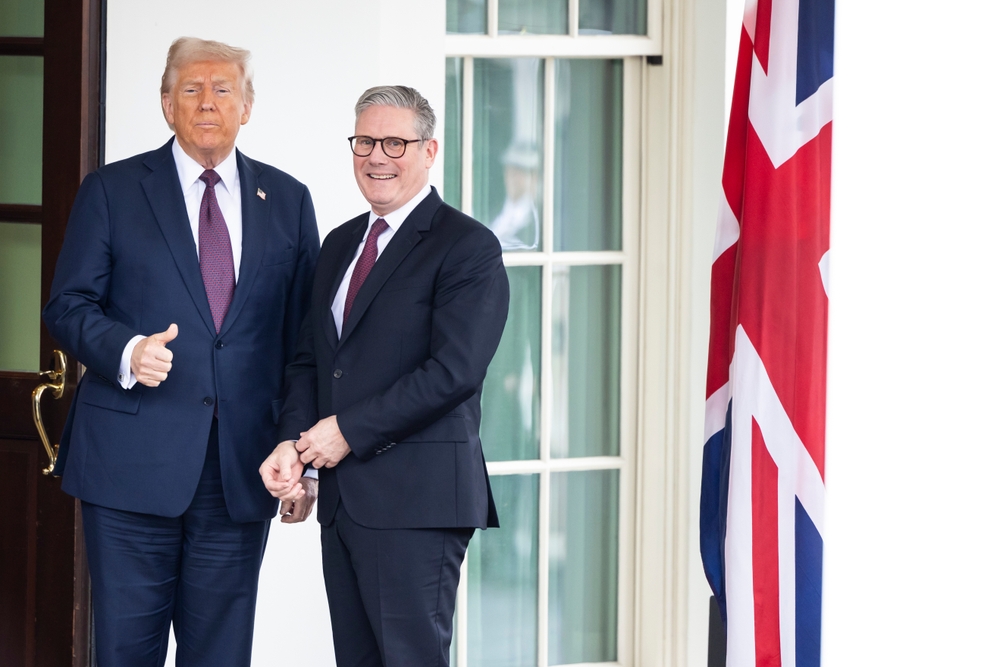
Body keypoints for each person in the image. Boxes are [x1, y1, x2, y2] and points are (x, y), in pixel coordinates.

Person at [42, 37, 320, 667]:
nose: (207, 102)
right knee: (126, 652)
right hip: (129, 469)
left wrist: (301, 457)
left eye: (223, 89)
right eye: (191, 89)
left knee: (220, 654)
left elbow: (302, 346)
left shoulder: (288, 200)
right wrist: (126, 349)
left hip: (240, 470)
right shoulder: (111, 190)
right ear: (166, 104)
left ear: (247, 106)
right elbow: (67, 305)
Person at [260, 85, 509, 666]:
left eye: (395, 143)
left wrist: (346, 432)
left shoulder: (468, 247)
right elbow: (312, 361)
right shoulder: (340, 244)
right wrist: (299, 455)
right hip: (343, 501)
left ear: (429, 150)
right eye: (365, 142)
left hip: (417, 503)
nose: (377, 157)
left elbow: (454, 372)